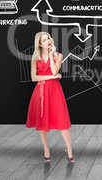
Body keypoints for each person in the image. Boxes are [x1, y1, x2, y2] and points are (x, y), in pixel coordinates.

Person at [26, 32, 74, 163]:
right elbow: (34, 78)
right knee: (42, 123)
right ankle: (46, 149)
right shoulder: (35, 59)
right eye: (44, 40)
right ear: (40, 44)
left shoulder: (58, 55)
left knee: (63, 122)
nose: (48, 41)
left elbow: (54, 71)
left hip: (55, 91)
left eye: (48, 38)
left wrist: (52, 58)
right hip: (41, 93)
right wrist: (52, 77)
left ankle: (69, 150)